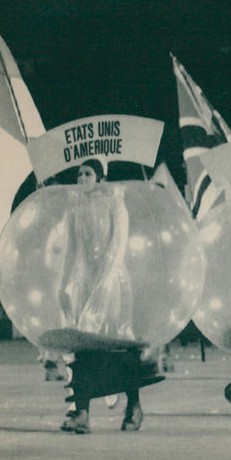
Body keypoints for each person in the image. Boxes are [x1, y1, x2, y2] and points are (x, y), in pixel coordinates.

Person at [55, 159, 143, 434]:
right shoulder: (75, 208)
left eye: (88, 173)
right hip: (85, 283)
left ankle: (134, 406)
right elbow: (71, 249)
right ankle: (82, 412)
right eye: (79, 174)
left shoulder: (115, 203)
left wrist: (103, 286)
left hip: (112, 284)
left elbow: (117, 247)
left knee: (118, 345)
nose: (82, 178)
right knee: (82, 346)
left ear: (100, 178)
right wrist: (65, 282)